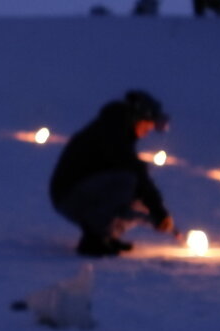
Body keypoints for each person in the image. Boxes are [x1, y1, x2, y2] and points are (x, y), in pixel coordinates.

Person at [48, 90, 174, 257]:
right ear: (137, 118)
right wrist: (158, 211)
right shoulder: (113, 131)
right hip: (69, 195)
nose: (149, 129)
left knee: (138, 191)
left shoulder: (117, 129)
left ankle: (106, 235)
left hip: (84, 191)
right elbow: (133, 172)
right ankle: (94, 239)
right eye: (148, 123)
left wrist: (157, 213)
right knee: (127, 181)